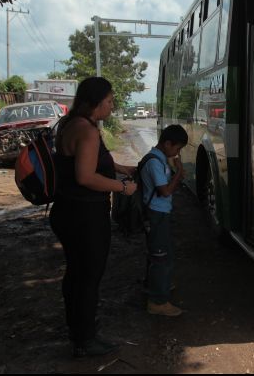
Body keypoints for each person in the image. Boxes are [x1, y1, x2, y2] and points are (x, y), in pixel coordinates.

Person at [49, 77, 138, 358]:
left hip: (66, 211)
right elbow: (85, 176)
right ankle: (85, 340)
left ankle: (77, 328)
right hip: (84, 215)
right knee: (88, 276)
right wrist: (123, 187)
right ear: (95, 102)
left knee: (76, 273)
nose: (112, 106)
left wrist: (124, 169)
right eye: (109, 101)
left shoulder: (70, 123)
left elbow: (92, 163)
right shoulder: (87, 131)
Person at [140, 124, 188, 317]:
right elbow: (165, 190)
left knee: (162, 253)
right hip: (156, 215)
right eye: (177, 148)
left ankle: (158, 284)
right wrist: (178, 173)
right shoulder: (154, 163)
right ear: (167, 144)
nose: (177, 153)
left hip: (161, 213)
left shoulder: (159, 159)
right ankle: (158, 301)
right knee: (161, 258)